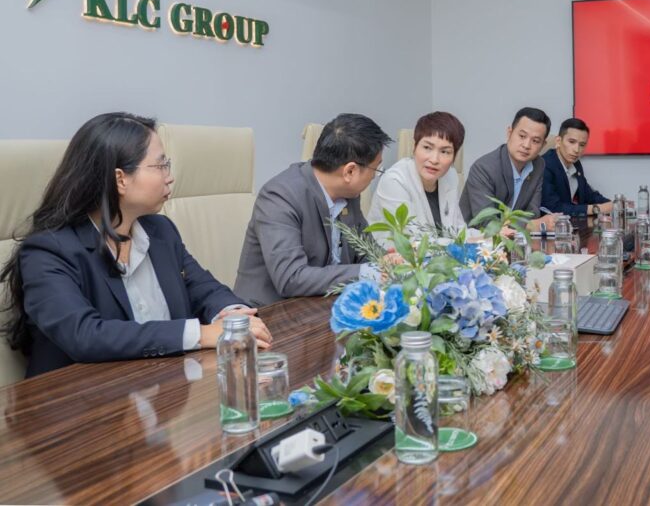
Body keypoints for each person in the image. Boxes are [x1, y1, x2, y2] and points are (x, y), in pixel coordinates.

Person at [0, 112, 270, 378]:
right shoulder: (48, 252)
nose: (169, 177)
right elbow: (84, 336)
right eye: (161, 165)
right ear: (120, 179)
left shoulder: (161, 231)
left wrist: (234, 317)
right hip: (79, 397)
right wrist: (201, 334)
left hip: (162, 388)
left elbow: (204, 289)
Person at [234, 113, 392, 306]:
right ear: (350, 171)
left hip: (324, 306)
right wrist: (368, 272)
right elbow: (291, 278)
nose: (374, 177)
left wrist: (392, 261)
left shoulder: (349, 195)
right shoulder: (279, 197)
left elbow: (366, 252)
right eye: (376, 169)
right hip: (269, 313)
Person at [460, 107, 557, 231]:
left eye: (535, 141)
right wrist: (530, 225)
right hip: (477, 238)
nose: (526, 145)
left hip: (515, 238)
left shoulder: (538, 165)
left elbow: (532, 212)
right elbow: (486, 222)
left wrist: (527, 224)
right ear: (509, 133)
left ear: (543, 145)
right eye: (522, 136)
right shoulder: (483, 168)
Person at [369, 111, 466, 235]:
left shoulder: (450, 176)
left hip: (442, 247)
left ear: (454, 157)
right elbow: (413, 239)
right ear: (414, 147)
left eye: (445, 152)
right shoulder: (394, 180)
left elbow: (459, 230)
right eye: (427, 148)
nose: (434, 160)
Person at [541, 118, 612, 217]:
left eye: (582, 145)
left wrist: (612, 204)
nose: (577, 150)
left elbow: (589, 195)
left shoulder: (576, 164)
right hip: (550, 225)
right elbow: (553, 208)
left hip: (572, 223)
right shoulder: (545, 165)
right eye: (572, 142)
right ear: (558, 141)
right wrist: (595, 209)